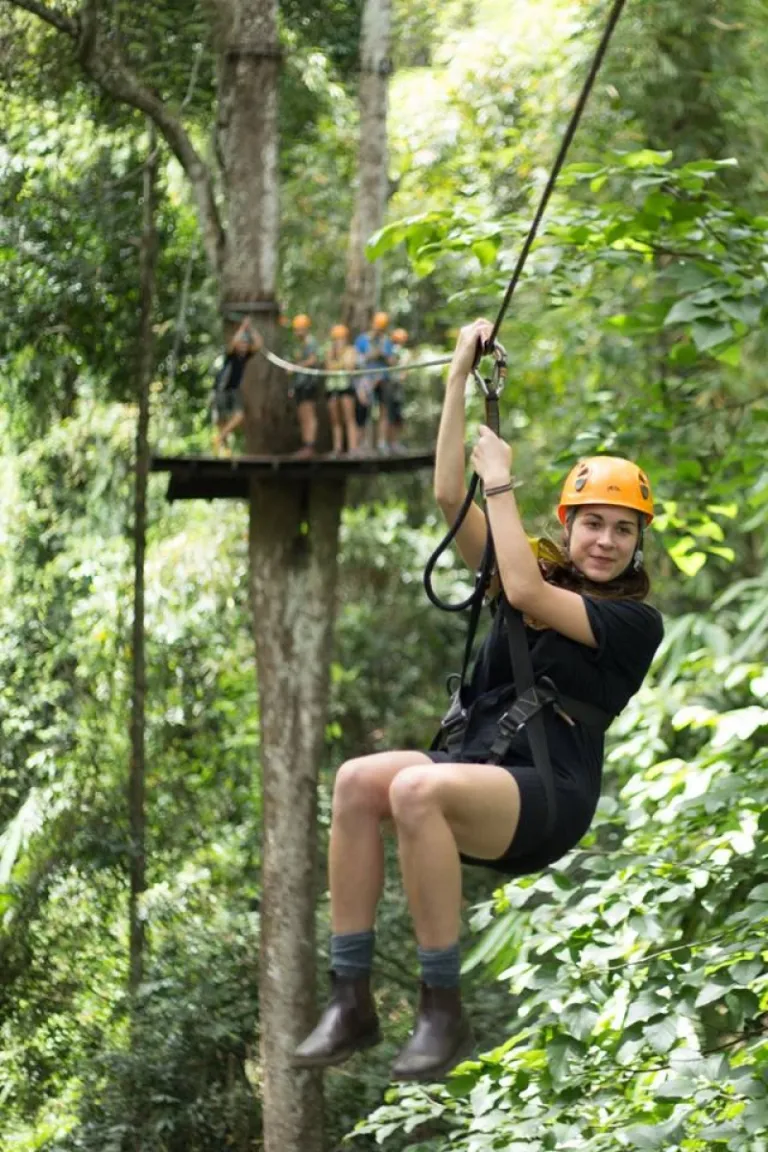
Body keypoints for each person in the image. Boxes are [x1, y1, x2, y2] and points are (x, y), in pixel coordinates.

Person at [293, 317, 664, 1083]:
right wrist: (459, 376)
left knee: (415, 788)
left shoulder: (632, 623)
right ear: (568, 525)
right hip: (483, 762)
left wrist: (501, 480)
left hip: (549, 792)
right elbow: (445, 495)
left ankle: (442, 1010)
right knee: (357, 781)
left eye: (623, 531)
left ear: (638, 543)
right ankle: (350, 996)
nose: (605, 541)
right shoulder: (534, 574)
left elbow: (523, 588)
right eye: (593, 524)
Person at [211, 319, 261, 454]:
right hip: (221, 388)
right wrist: (243, 327)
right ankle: (224, 448)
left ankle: (220, 438)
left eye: (246, 343)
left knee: (239, 415)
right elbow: (233, 343)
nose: (244, 345)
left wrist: (251, 329)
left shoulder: (245, 356)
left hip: (233, 389)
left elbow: (258, 344)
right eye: (241, 343)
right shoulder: (231, 354)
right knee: (221, 419)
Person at [354, 311, 395, 453]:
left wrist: (383, 354)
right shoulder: (362, 340)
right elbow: (356, 360)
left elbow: (392, 361)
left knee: (383, 410)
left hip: (383, 379)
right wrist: (370, 355)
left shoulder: (386, 341)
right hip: (366, 380)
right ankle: (363, 443)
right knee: (364, 411)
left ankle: (382, 442)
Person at [325, 324, 359, 455]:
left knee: (349, 418)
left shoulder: (351, 350)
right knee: (335, 420)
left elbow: (350, 367)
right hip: (332, 388)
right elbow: (328, 367)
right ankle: (337, 448)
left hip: (346, 387)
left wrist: (338, 362)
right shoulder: (329, 351)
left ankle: (353, 448)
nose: (339, 341)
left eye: (341, 338)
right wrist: (339, 363)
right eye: (336, 338)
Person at [290, 313, 320, 458]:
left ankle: (310, 445)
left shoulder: (311, 342)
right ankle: (305, 444)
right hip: (300, 383)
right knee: (302, 415)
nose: (297, 332)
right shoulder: (300, 345)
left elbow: (313, 360)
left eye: (299, 329)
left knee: (309, 414)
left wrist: (296, 366)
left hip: (308, 383)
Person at [387, 327, 410, 453]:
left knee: (397, 415)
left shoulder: (404, 353)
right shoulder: (392, 351)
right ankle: (390, 443)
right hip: (390, 385)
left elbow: (404, 372)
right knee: (390, 414)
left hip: (397, 386)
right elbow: (390, 362)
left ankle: (395, 443)